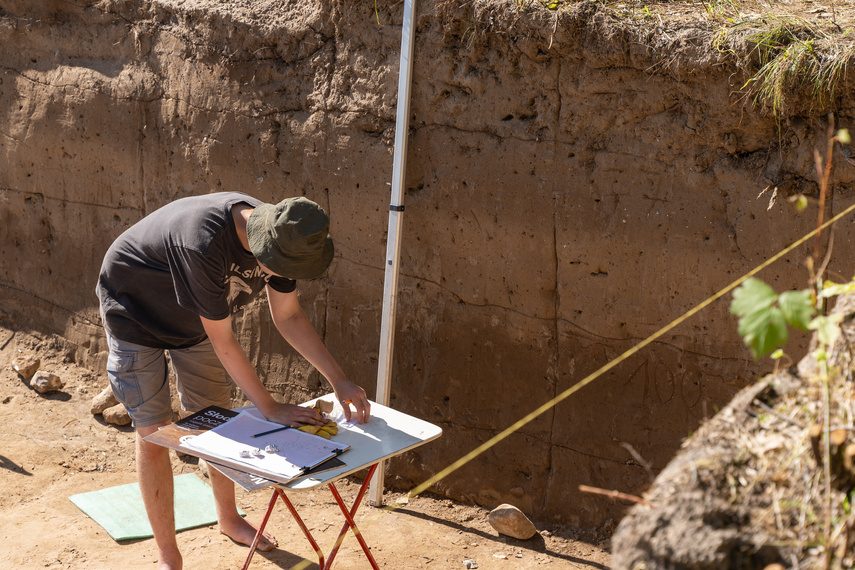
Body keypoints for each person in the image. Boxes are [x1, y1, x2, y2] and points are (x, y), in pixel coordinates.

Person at [96, 192, 370, 570]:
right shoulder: (204, 243)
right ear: (263, 243)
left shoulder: (287, 237)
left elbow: (288, 316)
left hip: (192, 322)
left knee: (215, 420)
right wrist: (270, 408)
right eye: (276, 267)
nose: (277, 275)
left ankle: (229, 518)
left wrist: (338, 380)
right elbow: (224, 340)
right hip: (134, 311)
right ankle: (168, 556)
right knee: (155, 432)